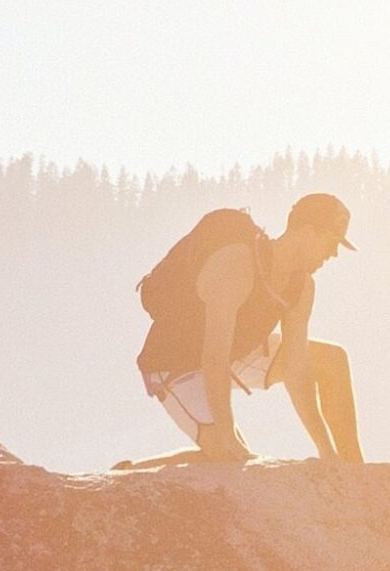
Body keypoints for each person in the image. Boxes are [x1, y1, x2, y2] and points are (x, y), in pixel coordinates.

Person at [118, 193, 362, 469]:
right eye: (331, 242)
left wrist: (326, 451)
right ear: (307, 233)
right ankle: (131, 474)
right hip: (176, 361)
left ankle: (355, 470)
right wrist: (226, 432)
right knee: (230, 458)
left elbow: (298, 371)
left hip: (238, 352)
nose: (333, 254)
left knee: (332, 360)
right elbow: (214, 357)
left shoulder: (301, 287)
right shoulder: (236, 264)